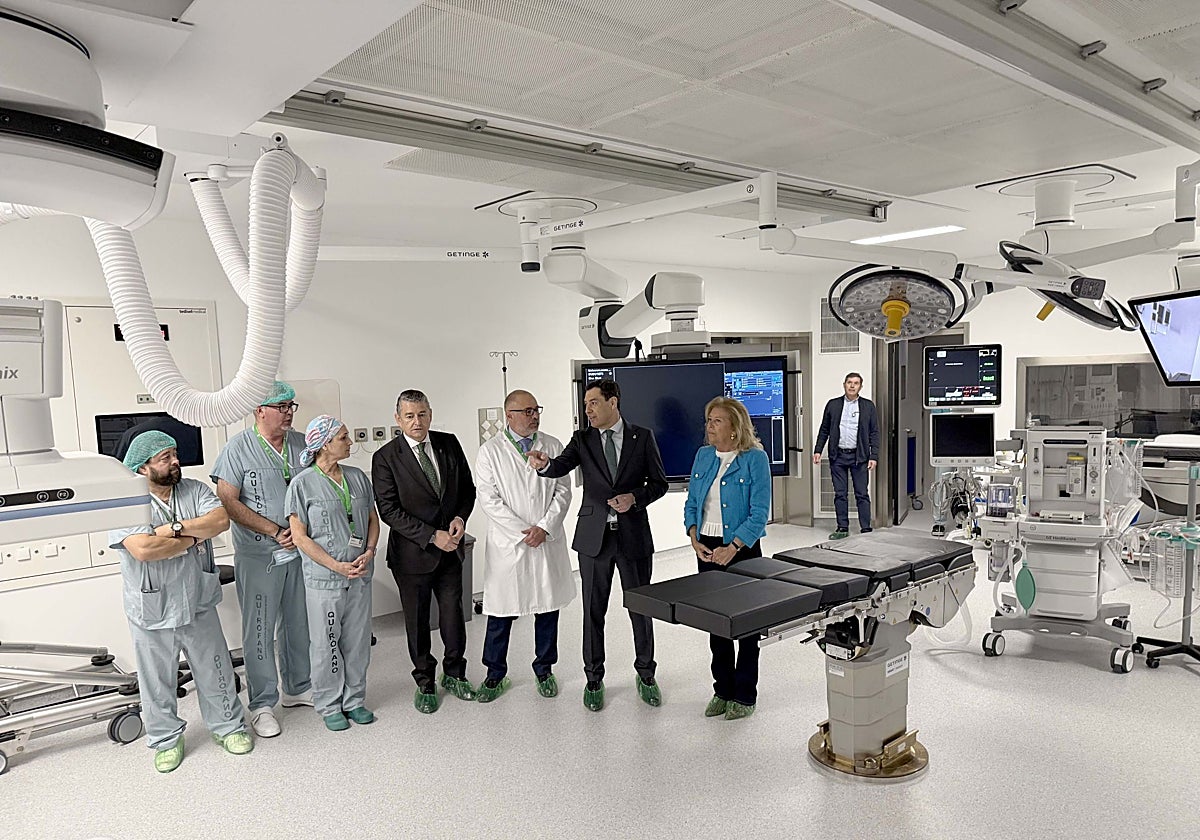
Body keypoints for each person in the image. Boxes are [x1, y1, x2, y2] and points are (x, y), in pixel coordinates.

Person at [109, 431, 252, 772]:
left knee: (215, 669)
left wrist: (169, 530)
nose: (175, 461)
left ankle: (229, 727)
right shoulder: (124, 502)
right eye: (165, 457)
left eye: (174, 453)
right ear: (142, 468)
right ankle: (166, 740)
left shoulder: (195, 490)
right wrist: (191, 537)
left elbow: (219, 521)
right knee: (157, 681)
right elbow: (143, 549)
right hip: (152, 608)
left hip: (197, 599)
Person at [526, 379, 669, 712]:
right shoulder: (582, 439)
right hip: (594, 540)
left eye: (593, 403)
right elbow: (560, 466)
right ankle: (593, 679)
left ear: (612, 402)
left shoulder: (642, 437)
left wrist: (634, 498)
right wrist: (545, 464)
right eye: (586, 404)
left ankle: (646, 675)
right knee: (593, 612)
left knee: (641, 609)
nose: (587, 410)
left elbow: (659, 484)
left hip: (633, 537)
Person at [211, 380, 312, 739]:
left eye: (291, 406)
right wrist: (273, 530)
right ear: (259, 411)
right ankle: (262, 704)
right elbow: (228, 501)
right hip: (260, 554)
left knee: (298, 622)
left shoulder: (302, 444)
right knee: (259, 630)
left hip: (299, 551)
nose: (288, 413)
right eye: (281, 407)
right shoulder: (238, 448)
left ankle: (298, 687)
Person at [372, 389, 477, 714]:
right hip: (412, 556)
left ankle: (455, 674)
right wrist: (432, 536)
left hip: (451, 551)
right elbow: (389, 510)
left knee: (453, 617)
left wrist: (460, 519)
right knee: (417, 622)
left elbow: (467, 490)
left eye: (421, 414)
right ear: (398, 419)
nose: (416, 422)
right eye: (409, 416)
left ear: (430, 414)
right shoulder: (386, 457)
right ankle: (425, 681)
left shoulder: (448, 443)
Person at [474, 390, 575, 703]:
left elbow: (563, 491)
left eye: (536, 410)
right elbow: (489, 499)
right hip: (510, 544)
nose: (534, 416)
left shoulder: (553, 445)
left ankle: (544, 669)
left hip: (546, 540)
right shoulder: (490, 452)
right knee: (501, 613)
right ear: (509, 415)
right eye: (527, 411)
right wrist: (524, 531)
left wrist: (544, 527)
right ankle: (494, 674)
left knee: (547, 609)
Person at [285, 416, 381, 731]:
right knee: (326, 644)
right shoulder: (302, 484)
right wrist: (335, 565)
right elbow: (300, 537)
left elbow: (372, 519)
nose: (350, 442)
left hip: (359, 575)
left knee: (357, 641)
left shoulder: (357, 477)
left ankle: (354, 700)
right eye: (343, 437)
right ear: (325, 444)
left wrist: (369, 551)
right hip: (324, 580)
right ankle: (328, 704)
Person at [683, 397, 772, 721]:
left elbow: (759, 514)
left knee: (746, 627)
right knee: (716, 623)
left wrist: (732, 547)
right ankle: (722, 690)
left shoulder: (755, 459)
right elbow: (693, 502)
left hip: (742, 549)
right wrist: (693, 536)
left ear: (734, 427)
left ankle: (745, 695)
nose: (709, 426)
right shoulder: (703, 455)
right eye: (709, 420)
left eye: (716, 421)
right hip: (707, 547)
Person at [813, 372, 879, 539]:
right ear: (844, 385)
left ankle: (866, 528)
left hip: (860, 457)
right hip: (838, 456)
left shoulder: (868, 406)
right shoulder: (833, 405)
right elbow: (824, 429)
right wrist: (818, 450)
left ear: (860, 387)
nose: (852, 386)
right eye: (849, 382)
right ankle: (842, 527)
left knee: (862, 494)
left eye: (856, 383)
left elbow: (874, 432)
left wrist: (874, 456)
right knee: (840, 494)